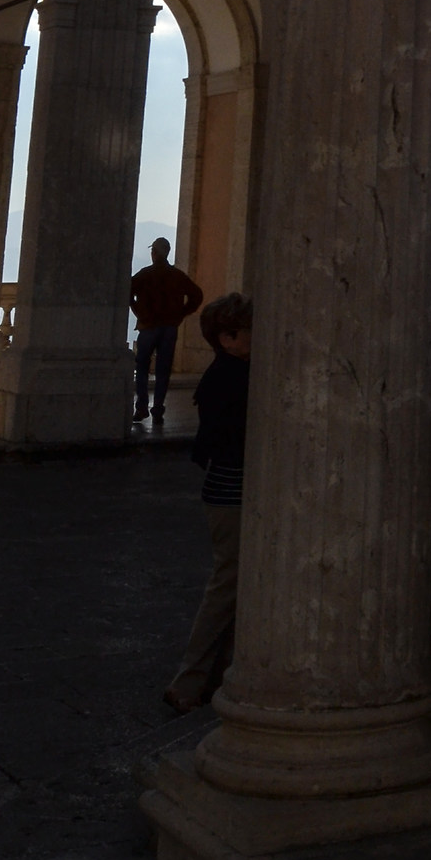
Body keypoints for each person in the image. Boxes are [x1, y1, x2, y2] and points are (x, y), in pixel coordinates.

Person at [164, 292, 252, 713]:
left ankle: (215, 677)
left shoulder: (230, 372)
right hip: (230, 493)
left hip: (227, 490)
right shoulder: (231, 377)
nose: (255, 338)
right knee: (226, 585)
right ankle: (188, 680)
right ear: (227, 337)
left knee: (236, 585)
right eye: (247, 332)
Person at [130, 237, 204, 427]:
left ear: (154, 253)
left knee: (142, 368)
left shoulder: (145, 275)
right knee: (163, 370)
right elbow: (197, 295)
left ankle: (141, 407)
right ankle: (158, 409)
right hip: (170, 328)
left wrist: (137, 310)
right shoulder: (177, 276)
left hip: (148, 328)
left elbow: (128, 291)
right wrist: (181, 314)